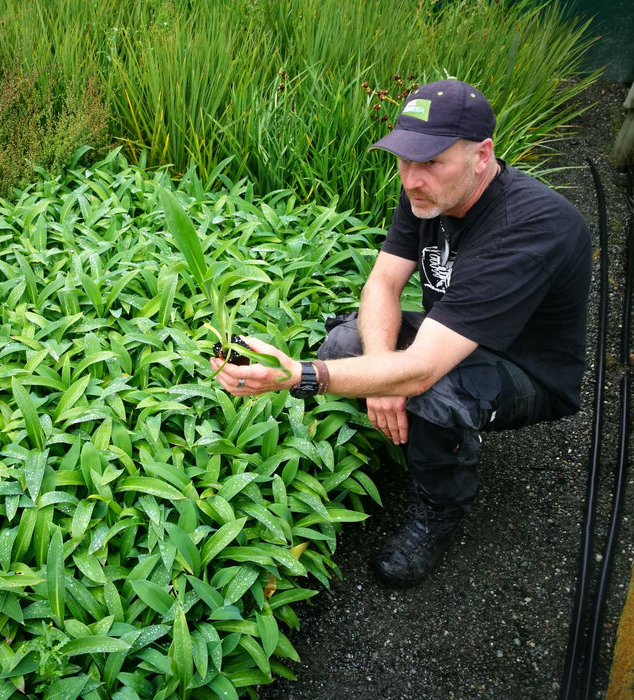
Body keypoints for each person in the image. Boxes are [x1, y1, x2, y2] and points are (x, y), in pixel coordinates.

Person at [210, 79, 592, 587]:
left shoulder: (530, 227)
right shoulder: (427, 191)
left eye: (431, 160)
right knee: (346, 345)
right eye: (405, 159)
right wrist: (382, 371)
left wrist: (301, 376)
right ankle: (406, 438)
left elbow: (423, 369)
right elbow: (383, 283)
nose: (412, 178)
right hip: (451, 332)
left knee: (435, 391)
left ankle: (440, 507)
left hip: (525, 368)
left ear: (482, 156)